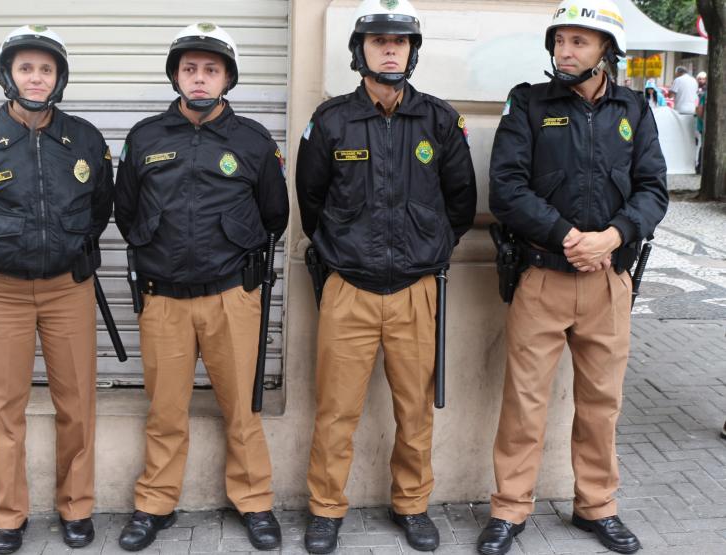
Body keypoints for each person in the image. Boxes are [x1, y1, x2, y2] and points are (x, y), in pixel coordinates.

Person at [480, 1, 668, 554]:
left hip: (610, 280)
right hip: (542, 277)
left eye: (579, 42)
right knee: (524, 401)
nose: (565, 51)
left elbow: (653, 189)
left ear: (606, 50)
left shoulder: (635, 107)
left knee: (602, 402)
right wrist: (567, 235)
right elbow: (507, 187)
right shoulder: (529, 103)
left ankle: (597, 507)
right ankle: (509, 510)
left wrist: (613, 237)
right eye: (560, 40)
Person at [296, 0, 476, 551]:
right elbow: (311, 200)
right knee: (335, 411)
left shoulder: (440, 120)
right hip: (348, 288)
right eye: (380, 41)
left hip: (416, 291)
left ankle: (412, 504)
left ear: (412, 52)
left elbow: (461, 201)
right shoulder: (331, 121)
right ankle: (326, 509)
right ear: (360, 51)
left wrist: (429, 250)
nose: (390, 49)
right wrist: (340, 255)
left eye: (400, 42)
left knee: (415, 410)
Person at [113, 22, 290, 552]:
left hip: (231, 296)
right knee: (166, 411)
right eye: (189, 69)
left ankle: (255, 502)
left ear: (227, 78)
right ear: (175, 75)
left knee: (241, 409)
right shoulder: (145, 137)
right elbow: (125, 211)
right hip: (163, 298)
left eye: (211, 70)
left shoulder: (253, 141)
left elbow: (274, 215)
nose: (199, 78)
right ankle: (154, 503)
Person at [0, 25, 114, 554]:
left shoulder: (84, 139)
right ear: (8, 74)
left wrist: (68, 248)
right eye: (26, 68)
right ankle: (9, 515)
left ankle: (76, 508)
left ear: (59, 78)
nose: (36, 78)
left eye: (46, 69)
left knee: (77, 403)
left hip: (68, 289)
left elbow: (100, 209)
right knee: (3, 406)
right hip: (2, 293)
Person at [695, 71, 707, 173]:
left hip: (704, 124)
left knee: (703, 144)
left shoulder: (704, 94)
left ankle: (700, 167)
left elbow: (699, 110)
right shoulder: (705, 94)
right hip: (705, 124)